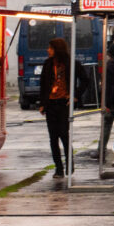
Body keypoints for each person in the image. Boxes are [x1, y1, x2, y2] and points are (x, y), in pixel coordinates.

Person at [39, 37, 84, 179]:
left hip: (64, 103)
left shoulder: (71, 64)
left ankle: (69, 164)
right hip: (51, 104)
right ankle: (58, 168)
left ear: (57, 49)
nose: (48, 50)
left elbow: (86, 80)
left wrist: (75, 95)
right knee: (53, 138)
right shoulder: (47, 64)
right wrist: (42, 104)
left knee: (64, 135)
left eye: (50, 48)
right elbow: (43, 85)